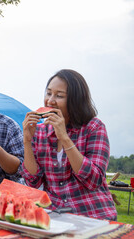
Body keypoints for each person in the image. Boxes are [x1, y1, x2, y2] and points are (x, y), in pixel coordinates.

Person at [20, 69, 117, 220]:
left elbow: (94, 180)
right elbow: (33, 181)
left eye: (59, 96)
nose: (50, 100)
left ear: (75, 100)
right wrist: (26, 140)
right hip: (56, 216)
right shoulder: (38, 132)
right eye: (48, 93)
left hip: (93, 214)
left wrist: (64, 138)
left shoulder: (94, 127)